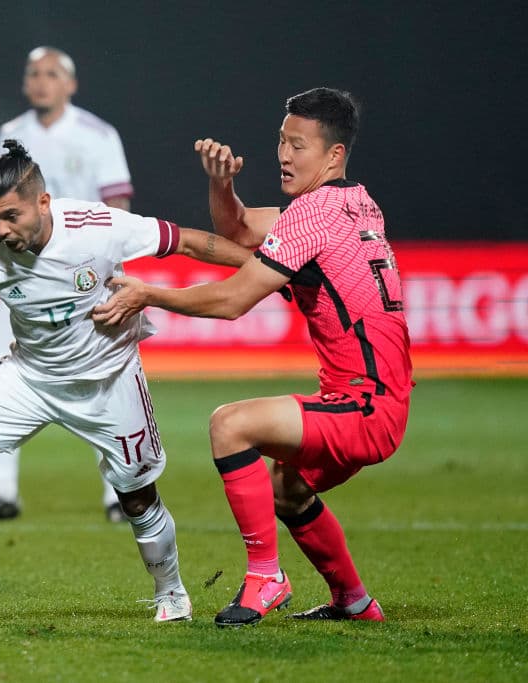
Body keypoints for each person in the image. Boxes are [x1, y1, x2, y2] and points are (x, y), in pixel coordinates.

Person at [0, 140, 253, 622]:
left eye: (11, 216)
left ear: (44, 202)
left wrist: (264, 271)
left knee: (138, 497)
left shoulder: (98, 227)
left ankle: (170, 591)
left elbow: (187, 241)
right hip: (30, 378)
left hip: (109, 379)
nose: (0, 229)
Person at [92, 88, 412, 627]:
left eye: (298, 145)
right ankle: (353, 602)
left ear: (333, 155)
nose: (284, 155)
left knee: (230, 425)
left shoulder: (314, 216)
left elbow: (234, 299)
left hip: (366, 407)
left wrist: (150, 293)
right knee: (290, 488)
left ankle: (266, 576)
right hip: (373, 399)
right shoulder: (355, 202)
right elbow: (238, 228)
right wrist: (222, 185)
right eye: (281, 141)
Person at [0, 46, 135, 522]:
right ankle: (3, 494)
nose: (41, 81)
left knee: (100, 378)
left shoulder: (97, 134)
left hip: (82, 277)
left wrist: (117, 269)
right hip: (23, 273)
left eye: (51, 74)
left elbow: (119, 204)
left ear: (70, 84)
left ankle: (119, 495)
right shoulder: (11, 134)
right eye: (34, 74)